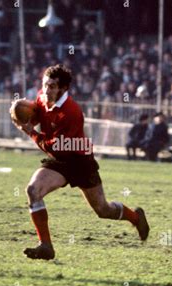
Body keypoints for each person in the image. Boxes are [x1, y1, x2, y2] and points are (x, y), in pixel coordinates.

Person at [11, 64, 149, 260]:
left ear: (63, 89)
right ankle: (46, 245)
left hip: (80, 161)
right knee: (33, 191)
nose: (46, 90)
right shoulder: (43, 97)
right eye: (45, 85)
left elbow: (54, 146)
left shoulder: (71, 112)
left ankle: (136, 217)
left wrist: (30, 132)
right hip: (59, 161)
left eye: (52, 86)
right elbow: (39, 115)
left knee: (103, 209)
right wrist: (24, 117)